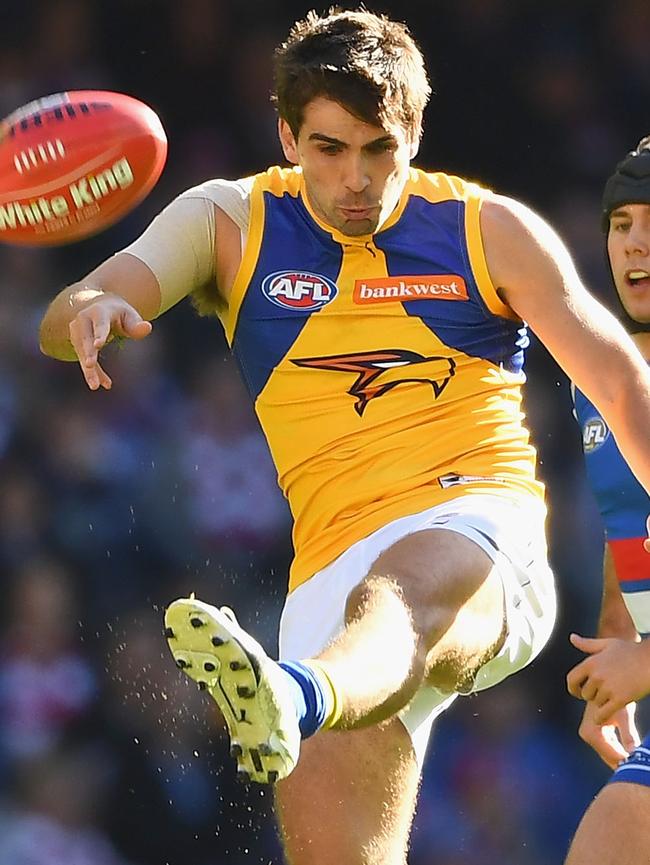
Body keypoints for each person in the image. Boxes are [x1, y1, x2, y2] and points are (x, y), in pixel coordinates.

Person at [38, 10, 650, 865]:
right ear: (287, 135)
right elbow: (67, 313)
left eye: (378, 149)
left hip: (478, 526)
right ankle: (307, 688)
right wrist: (92, 309)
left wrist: (636, 622)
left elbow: (625, 392)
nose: (356, 178)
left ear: (415, 133)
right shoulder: (230, 222)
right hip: (329, 570)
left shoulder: (488, 230)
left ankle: (299, 691)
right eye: (329, 149)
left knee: (398, 587)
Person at [565, 138, 650, 865]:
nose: (636, 243)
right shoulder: (599, 374)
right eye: (622, 222)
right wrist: (617, 634)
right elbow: (627, 522)